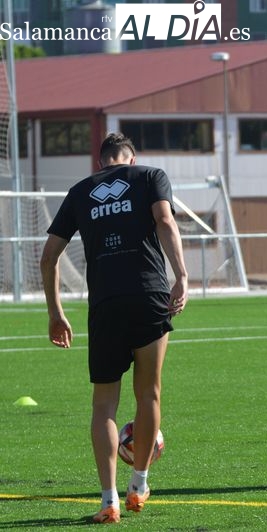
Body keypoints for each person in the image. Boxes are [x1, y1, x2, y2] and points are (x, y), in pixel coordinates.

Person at [40, 132, 188, 524]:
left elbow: (49, 257)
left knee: (103, 404)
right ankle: (138, 484)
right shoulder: (150, 175)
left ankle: (109, 501)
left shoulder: (80, 191)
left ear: (101, 159)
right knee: (149, 393)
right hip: (149, 295)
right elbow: (165, 220)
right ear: (131, 157)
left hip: (105, 303)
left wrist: (55, 312)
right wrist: (182, 276)